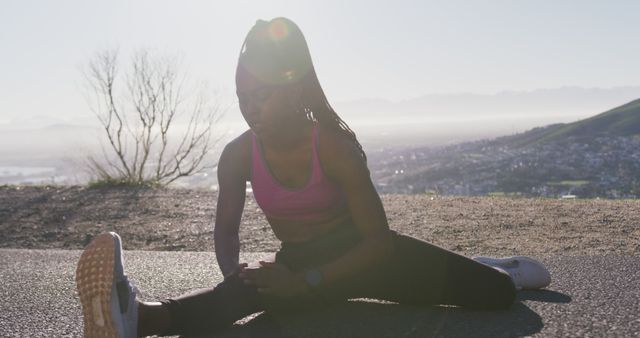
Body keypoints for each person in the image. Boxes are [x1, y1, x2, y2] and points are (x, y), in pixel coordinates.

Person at [75, 17, 551, 338]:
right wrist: (233, 275)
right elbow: (225, 229)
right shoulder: (237, 155)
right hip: (301, 261)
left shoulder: (336, 148)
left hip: (370, 256)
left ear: (292, 87)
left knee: (498, 297)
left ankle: (497, 267)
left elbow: (379, 243)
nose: (249, 105)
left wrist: (309, 284)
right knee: (237, 300)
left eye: (261, 94)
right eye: (242, 93)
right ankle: (134, 315)